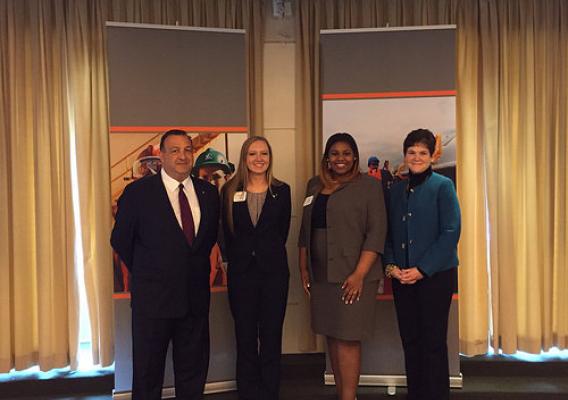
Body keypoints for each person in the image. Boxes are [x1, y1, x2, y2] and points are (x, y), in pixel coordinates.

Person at [111, 129, 220, 400]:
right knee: (148, 377)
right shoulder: (138, 193)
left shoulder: (208, 193)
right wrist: (151, 272)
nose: (182, 156)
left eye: (187, 150)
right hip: (153, 302)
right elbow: (121, 240)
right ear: (161, 155)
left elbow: (205, 242)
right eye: (174, 150)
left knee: (193, 374)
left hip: (194, 301)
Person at [298, 132, 387, 400]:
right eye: (334, 153)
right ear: (327, 158)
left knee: (348, 337)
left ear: (355, 157)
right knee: (332, 335)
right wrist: (304, 268)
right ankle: (342, 394)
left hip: (354, 273)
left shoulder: (369, 186)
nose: (340, 158)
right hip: (321, 274)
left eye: (346, 153)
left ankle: (349, 397)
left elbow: (376, 231)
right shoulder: (314, 185)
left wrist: (360, 274)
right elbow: (305, 231)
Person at [383, 128, 461, 400]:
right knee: (411, 343)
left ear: (432, 156)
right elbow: (389, 233)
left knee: (433, 344)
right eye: (412, 152)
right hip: (402, 278)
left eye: (422, 153)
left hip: (435, 278)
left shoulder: (443, 186)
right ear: (405, 155)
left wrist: (422, 269)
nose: (416, 157)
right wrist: (391, 266)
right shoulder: (395, 189)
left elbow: (451, 232)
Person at [221, 136, 291, 400]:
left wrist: (264, 253)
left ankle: (269, 392)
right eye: (253, 154)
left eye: (264, 153)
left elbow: (281, 232)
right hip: (242, 275)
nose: (259, 158)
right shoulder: (228, 190)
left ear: (270, 157)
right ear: (244, 158)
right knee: (245, 337)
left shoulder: (282, 190)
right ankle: (248, 392)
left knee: (272, 337)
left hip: (274, 275)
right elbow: (227, 233)